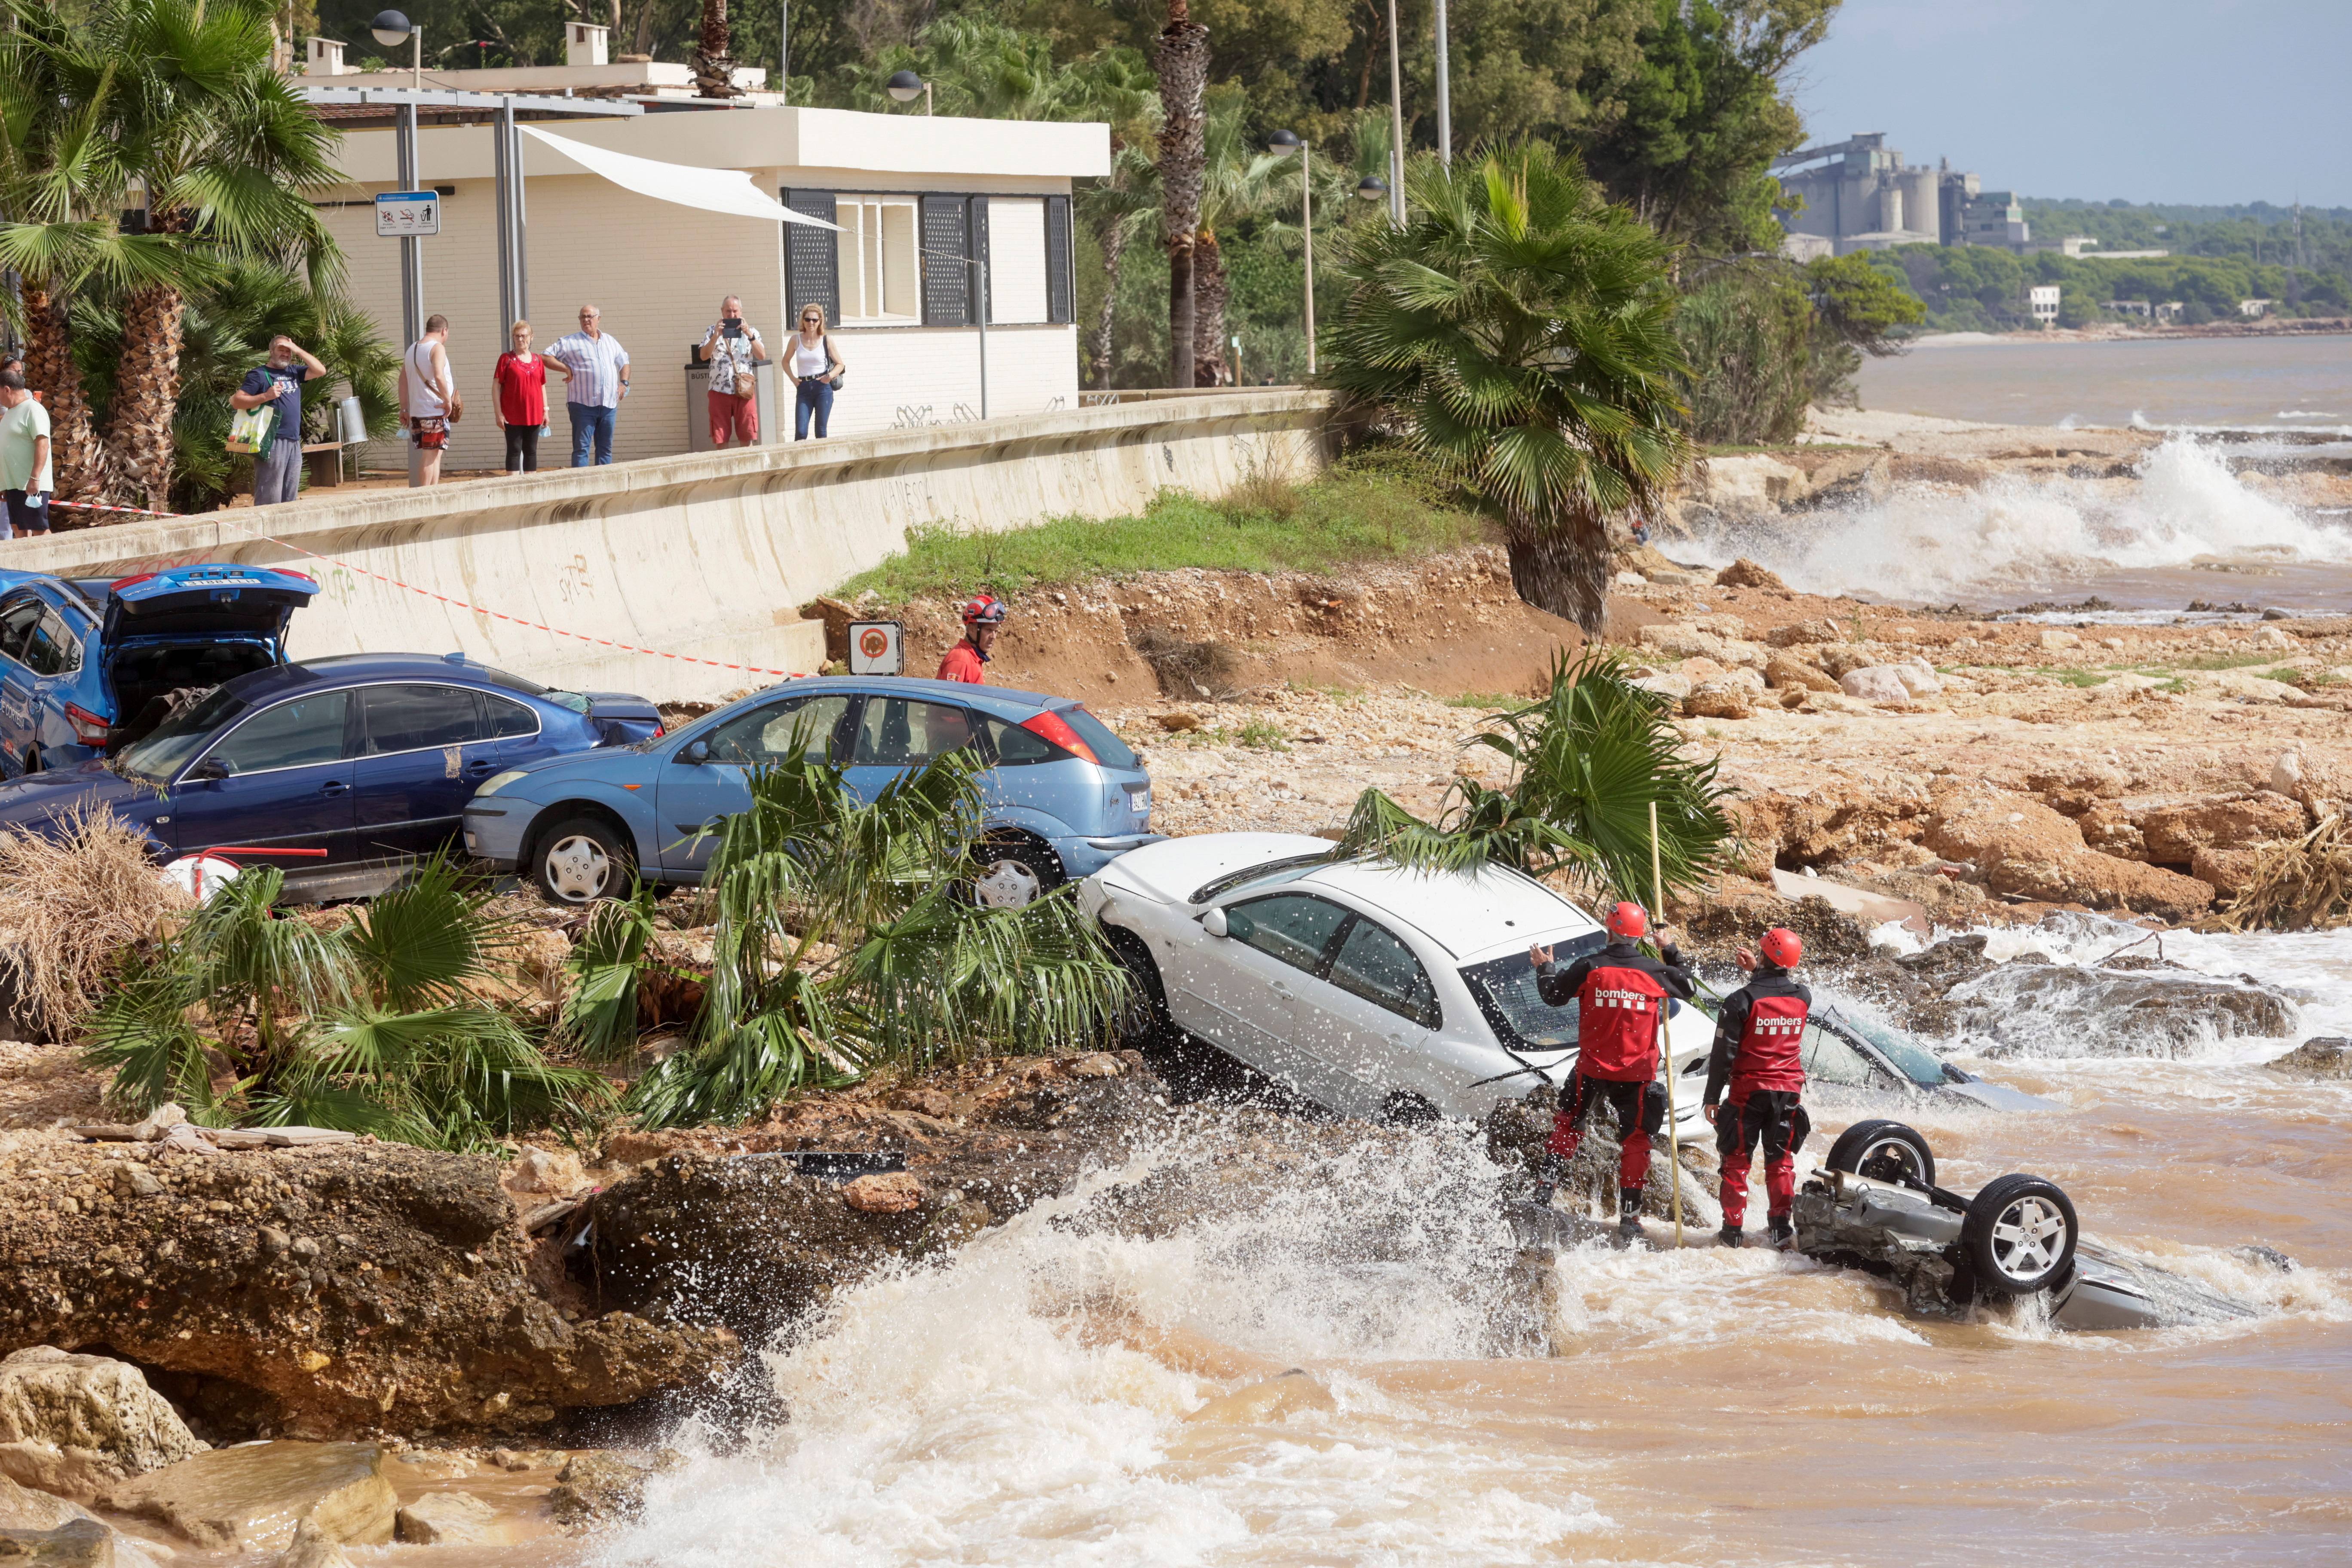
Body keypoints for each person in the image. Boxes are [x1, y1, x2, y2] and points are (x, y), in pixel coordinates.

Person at [1528, 902, 1695, 1242]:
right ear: (1640, 937)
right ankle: (1630, 1219)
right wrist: (1670, 950)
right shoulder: (1654, 971)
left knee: (1569, 1123)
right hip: (1636, 1074)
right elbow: (1689, 988)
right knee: (1635, 1142)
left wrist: (1545, 968)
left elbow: (1552, 996)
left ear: (1609, 931)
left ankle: (1544, 1191)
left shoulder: (1590, 966)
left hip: (1591, 1068)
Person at [1703, 927, 1812, 1249]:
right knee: (1781, 1161)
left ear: (1764, 956)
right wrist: (1758, 970)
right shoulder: (1803, 997)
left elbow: (1724, 1055)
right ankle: (1780, 1230)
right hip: (1788, 1091)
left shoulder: (1741, 1000)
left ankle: (1732, 1234)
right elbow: (1779, 990)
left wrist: (1711, 1097)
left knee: (1737, 1161)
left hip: (1748, 1092)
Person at [231, 333, 327, 505]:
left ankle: (284, 532)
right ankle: (264, 531)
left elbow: (320, 370)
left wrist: (297, 349)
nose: (285, 354)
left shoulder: (294, 372)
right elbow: (237, 401)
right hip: (271, 440)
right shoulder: (259, 374)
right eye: (281, 350)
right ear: (271, 351)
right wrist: (265, 396)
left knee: (290, 494)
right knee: (270, 493)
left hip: (294, 441)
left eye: (288, 351)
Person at [547, 305, 630, 466]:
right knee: (581, 449)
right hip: (582, 406)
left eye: (590, 317)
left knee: (605, 449)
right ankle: (582, 489)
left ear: (599, 319)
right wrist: (566, 368)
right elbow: (546, 356)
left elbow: (624, 361)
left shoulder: (610, 341)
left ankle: (605, 487)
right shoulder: (570, 342)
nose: (586, 320)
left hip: (608, 406)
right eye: (582, 317)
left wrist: (624, 383)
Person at [491, 320, 566, 474]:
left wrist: (546, 411)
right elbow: (496, 387)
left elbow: (542, 386)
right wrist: (499, 413)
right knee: (514, 449)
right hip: (512, 414)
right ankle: (513, 488)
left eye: (524, 336)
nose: (520, 340)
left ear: (532, 337)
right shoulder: (506, 360)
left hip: (534, 414)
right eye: (517, 336)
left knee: (531, 450)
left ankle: (530, 487)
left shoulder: (538, 360)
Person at [696, 295, 768, 448]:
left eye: (735, 311)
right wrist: (716, 336)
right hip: (719, 391)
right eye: (728, 311)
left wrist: (749, 334)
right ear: (722, 311)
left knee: (747, 435)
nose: (732, 315)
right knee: (720, 437)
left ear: (741, 311)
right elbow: (703, 356)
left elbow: (762, 356)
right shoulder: (711, 331)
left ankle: (747, 471)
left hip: (744, 391)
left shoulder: (751, 331)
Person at [396, 315, 456, 487]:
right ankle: (423, 494)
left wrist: (404, 409)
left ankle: (433, 493)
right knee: (430, 456)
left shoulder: (412, 349)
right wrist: (448, 400)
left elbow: (402, 380)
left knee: (435, 454)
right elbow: (438, 374)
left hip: (417, 411)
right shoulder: (437, 348)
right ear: (444, 331)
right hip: (434, 410)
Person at [0, 371, 54, 538]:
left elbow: (42, 444)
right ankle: (27, 566)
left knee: (38, 528)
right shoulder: (9, 413)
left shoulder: (33, 409)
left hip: (30, 484)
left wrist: (35, 478)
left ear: (7, 390)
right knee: (18, 527)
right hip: (13, 484)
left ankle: (53, 563)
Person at [788, 302, 845, 441]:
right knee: (801, 433)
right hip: (804, 388)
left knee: (821, 431)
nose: (811, 323)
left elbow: (840, 365)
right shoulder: (796, 340)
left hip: (823, 388)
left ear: (820, 321)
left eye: (815, 320)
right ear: (803, 321)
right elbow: (785, 361)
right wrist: (793, 379)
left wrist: (829, 376)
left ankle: (824, 462)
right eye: (807, 319)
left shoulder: (826, 340)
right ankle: (800, 462)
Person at [938, 594, 1005, 683]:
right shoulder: (960, 660)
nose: (993, 637)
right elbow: (949, 697)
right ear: (972, 629)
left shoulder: (973, 658)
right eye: (989, 630)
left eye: (996, 631)